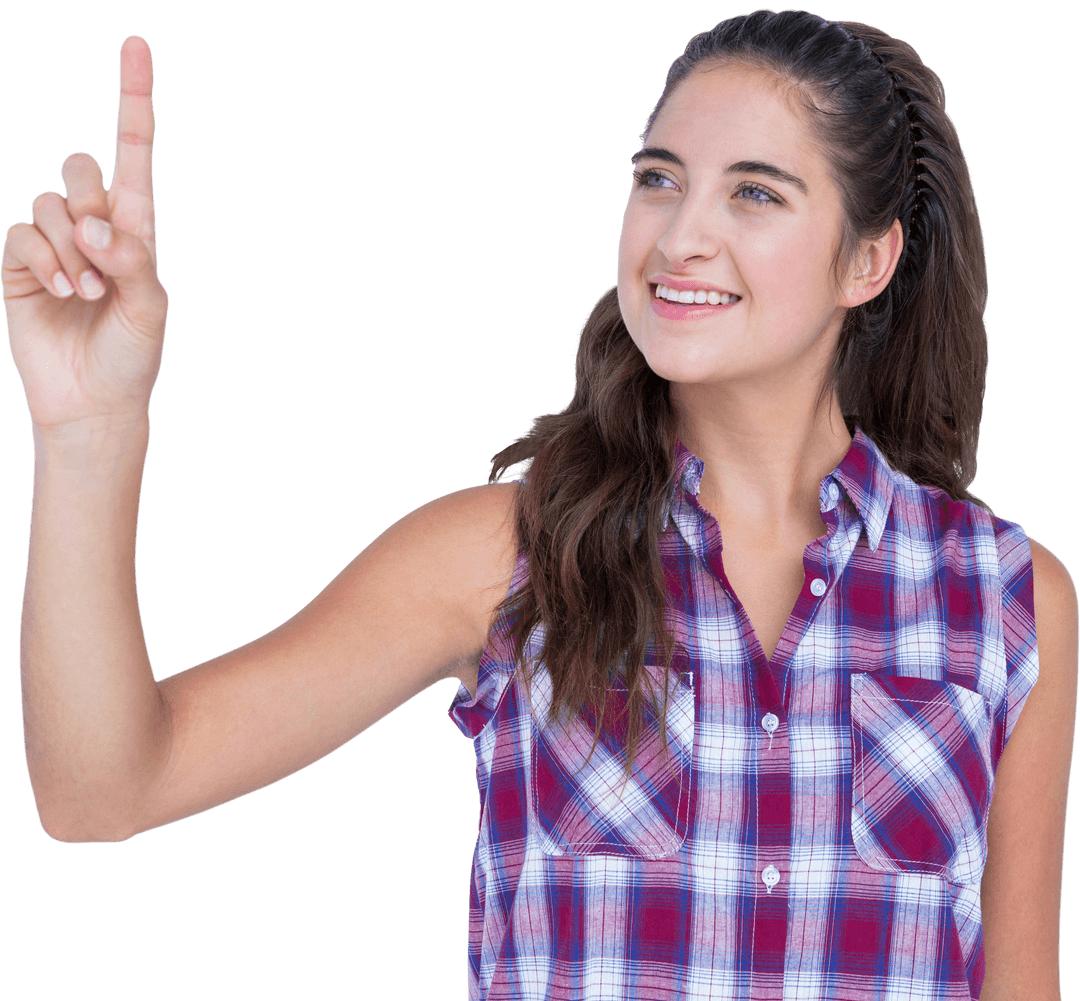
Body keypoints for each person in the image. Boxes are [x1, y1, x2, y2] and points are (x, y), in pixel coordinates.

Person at [4, 10, 1075, 1001]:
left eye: (754, 192)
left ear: (867, 258)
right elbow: (103, 789)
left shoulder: (1009, 598)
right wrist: (85, 433)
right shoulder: (501, 556)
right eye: (659, 179)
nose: (679, 237)